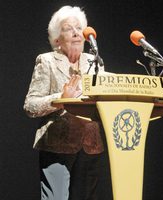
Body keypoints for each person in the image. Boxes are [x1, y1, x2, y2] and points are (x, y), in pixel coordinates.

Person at [24, 5, 112, 200]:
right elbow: (30, 106)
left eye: (79, 28)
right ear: (57, 39)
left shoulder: (95, 62)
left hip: (91, 145)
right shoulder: (46, 61)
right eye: (68, 29)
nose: (76, 32)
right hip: (57, 145)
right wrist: (60, 99)